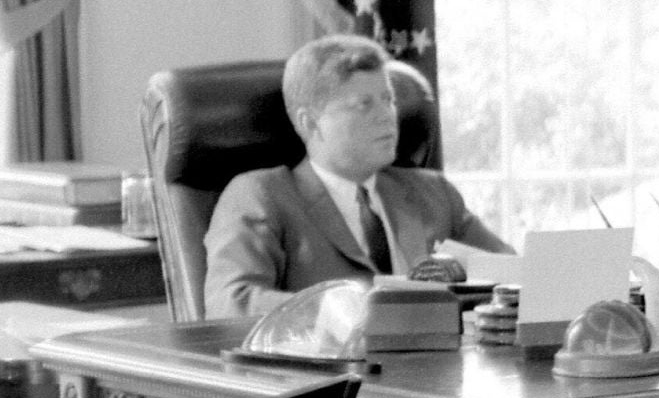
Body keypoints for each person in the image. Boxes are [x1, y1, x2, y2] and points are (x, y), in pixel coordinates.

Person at [204, 34, 513, 317]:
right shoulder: (261, 195)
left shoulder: (433, 193)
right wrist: (342, 309)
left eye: (388, 100)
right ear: (310, 122)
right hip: (326, 373)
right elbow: (232, 303)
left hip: (435, 370)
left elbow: (512, 277)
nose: (386, 116)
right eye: (363, 104)